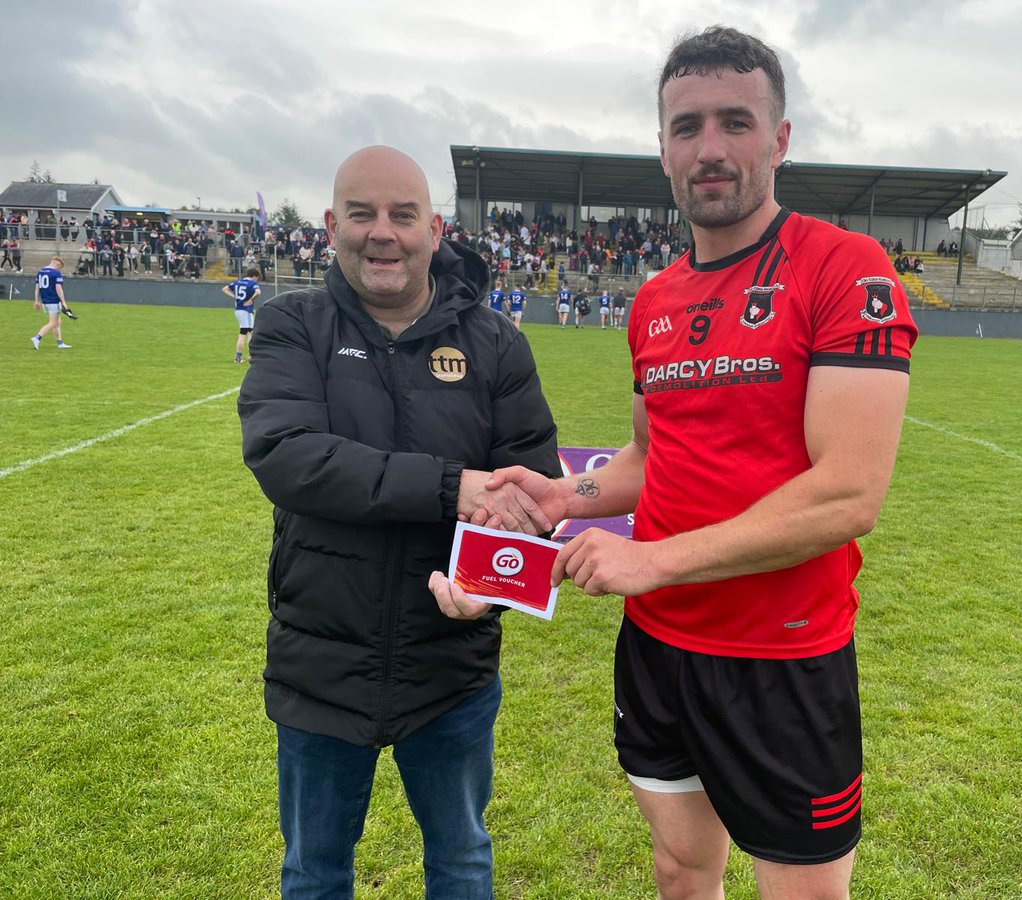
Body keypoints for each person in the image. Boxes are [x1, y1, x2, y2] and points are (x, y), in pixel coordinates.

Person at [433, 26, 916, 900]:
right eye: (687, 126)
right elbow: (654, 457)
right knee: (680, 868)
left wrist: (650, 559)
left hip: (782, 661)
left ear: (781, 138)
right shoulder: (654, 298)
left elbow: (848, 494)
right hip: (657, 650)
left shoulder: (844, 267)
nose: (711, 148)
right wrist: (565, 493)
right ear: (662, 149)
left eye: (737, 121)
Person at [238, 145, 559, 900]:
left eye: (402, 215)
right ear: (330, 225)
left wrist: (495, 588)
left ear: (435, 229)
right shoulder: (292, 325)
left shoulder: (497, 343)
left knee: (461, 861)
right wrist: (452, 487)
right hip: (322, 661)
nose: (382, 232)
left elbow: (533, 491)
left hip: (451, 665)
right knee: (314, 873)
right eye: (362, 213)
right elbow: (287, 456)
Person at [31, 256, 73, 349]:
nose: (59, 269)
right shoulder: (56, 273)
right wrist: (64, 302)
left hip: (45, 300)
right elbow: (58, 288)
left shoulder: (40, 272)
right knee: (53, 323)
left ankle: (60, 343)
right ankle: (37, 338)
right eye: (60, 267)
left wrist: (36, 300)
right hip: (53, 300)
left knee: (57, 322)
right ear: (57, 264)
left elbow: (37, 287)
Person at [223, 266, 262, 363]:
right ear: (254, 276)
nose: (256, 281)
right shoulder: (252, 283)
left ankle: (249, 355)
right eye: (257, 278)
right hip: (246, 310)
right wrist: (250, 300)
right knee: (245, 333)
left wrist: (235, 297)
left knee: (249, 332)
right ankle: (240, 357)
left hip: (238, 310)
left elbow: (225, 289)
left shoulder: (238, 282)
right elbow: (258, 292)